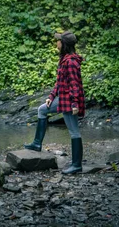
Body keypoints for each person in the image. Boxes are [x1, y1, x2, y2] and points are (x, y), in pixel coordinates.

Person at [24, 31, 85, 174]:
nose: (56, 42)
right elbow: (60, 82)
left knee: (74, 132)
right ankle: (37, 144)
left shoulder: (70, 62)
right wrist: (51, 97)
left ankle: (77, 165)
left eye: (58, 41)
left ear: (64, 44)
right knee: (42, 110)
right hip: (62, 99)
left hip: (69, 100)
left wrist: (75, 103)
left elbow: (75, 84)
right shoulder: (64, 59)